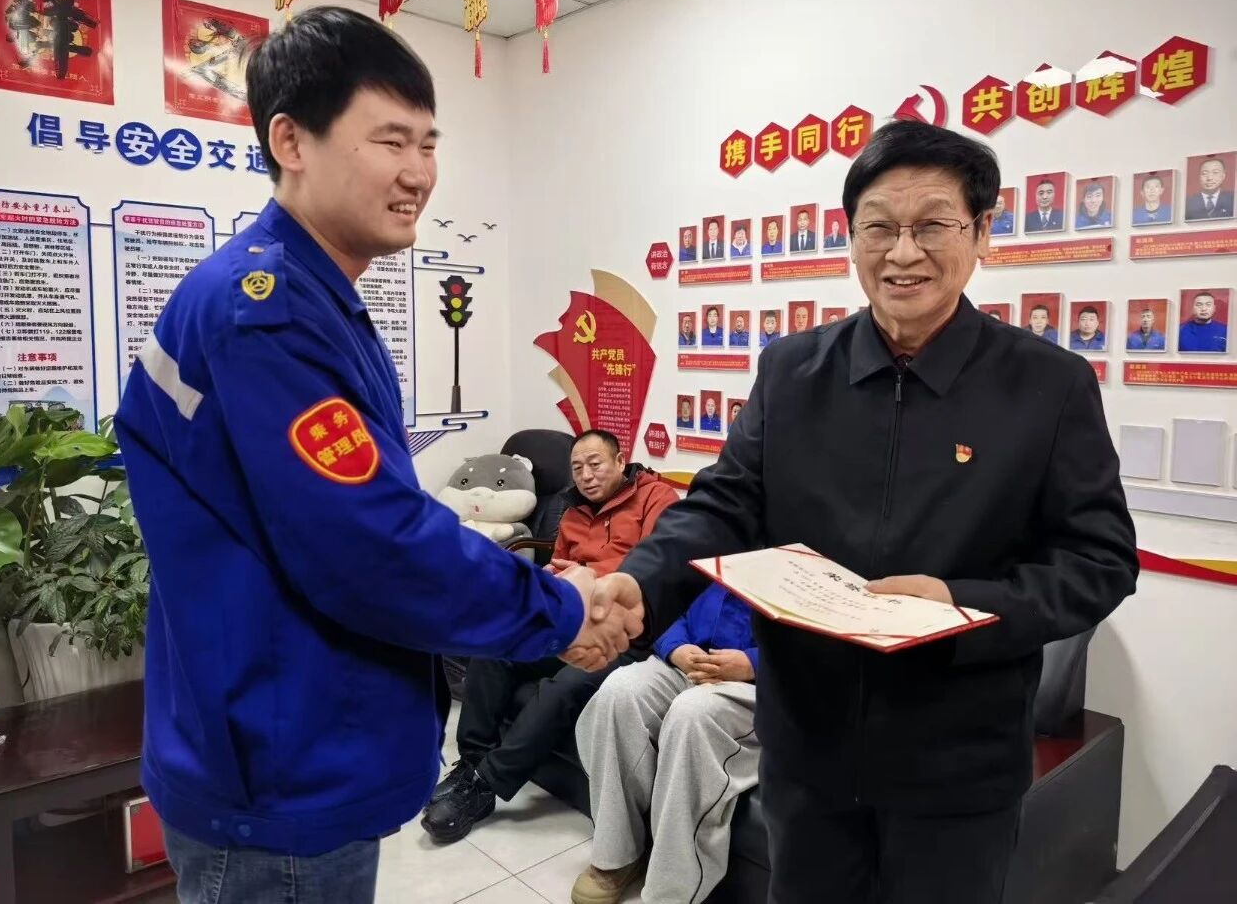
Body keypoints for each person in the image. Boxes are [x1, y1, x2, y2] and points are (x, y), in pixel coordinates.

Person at [113, 8, 641, 904]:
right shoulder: (268, 311)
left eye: (429, 144)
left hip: (282, 736)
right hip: (280, 764)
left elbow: (367, 513)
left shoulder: (310, 297)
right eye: (390, 140)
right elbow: (370, 545)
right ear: (291, 141)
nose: (418, 172)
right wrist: (559, 609)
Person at [593, 120, 1136, 904]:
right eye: (879, 226)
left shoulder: (1047, 386)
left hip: (958, 764)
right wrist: (641, 582)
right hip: (807, 750)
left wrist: (959, 604)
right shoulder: (792, 371)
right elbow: (724, 502)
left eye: (933, 225)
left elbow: (1099, 561)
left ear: (983, 231)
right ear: (851, 236)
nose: (902, 252)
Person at [421, 431, 680, 844]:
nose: (586, 475)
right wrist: (552, 581)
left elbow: (658, 566)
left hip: (625, 632)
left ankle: (485, 786)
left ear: (620, 461)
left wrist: (588, 576)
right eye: (577, 468)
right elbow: (561, 566)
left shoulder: (656, 497)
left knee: (563, 686)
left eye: (595, 464)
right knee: (497, 648)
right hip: (573, 618)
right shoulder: (571, 510)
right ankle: (471, 762)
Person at [571, 582, 759, 904]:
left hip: (765, 682)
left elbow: (827, 645)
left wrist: (754, 663)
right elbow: (668, 596)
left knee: (692, 715)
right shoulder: (714, 546)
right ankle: (616, 856)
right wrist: (675, 647)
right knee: (619, 692)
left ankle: (671, 895)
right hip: (689, 660)